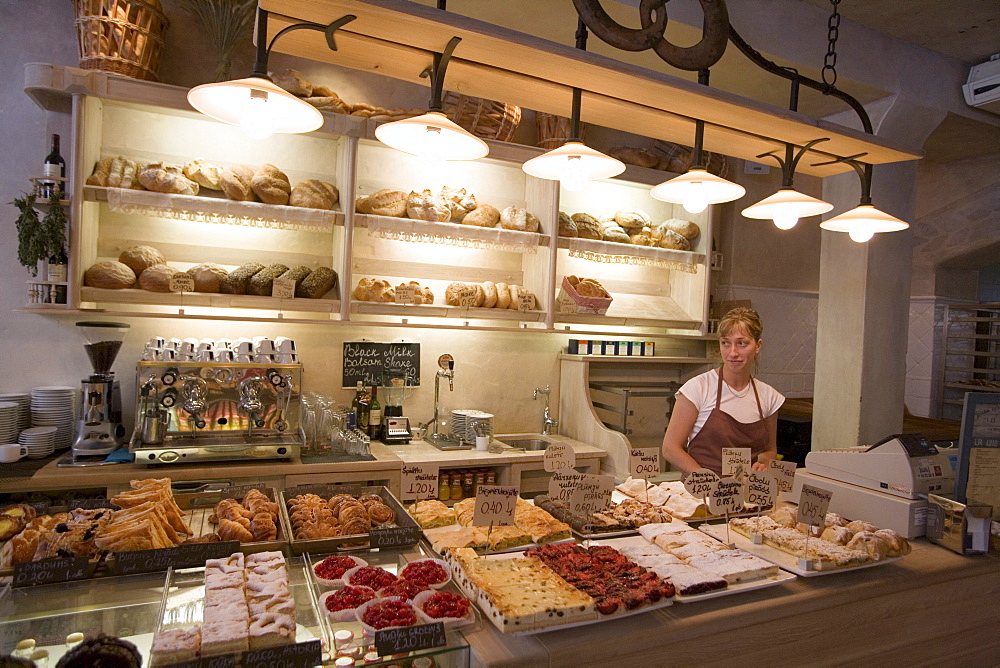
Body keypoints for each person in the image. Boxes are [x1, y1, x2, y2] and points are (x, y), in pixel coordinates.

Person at [662, 307, 784, 476]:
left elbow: (770, 450)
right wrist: (707, 480)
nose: (733, 353)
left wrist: (763, 465)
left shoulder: (769, 397)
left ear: (758, 345)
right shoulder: (697, 388)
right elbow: (670, 449)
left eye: (742, 343)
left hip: (748, 496)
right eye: (726, 343)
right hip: (701, 494)